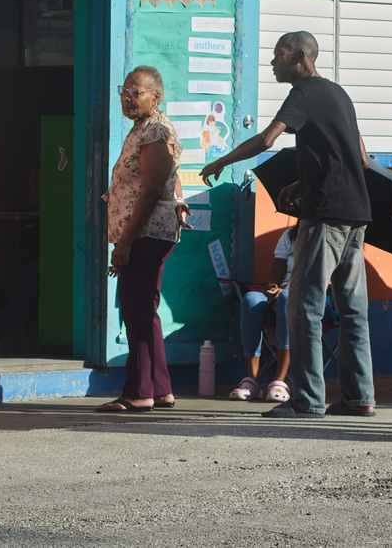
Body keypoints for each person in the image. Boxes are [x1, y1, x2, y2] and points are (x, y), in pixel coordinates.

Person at [201, 31, 375, 418]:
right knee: (352, 310)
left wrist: (220, 162)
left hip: (324, 214)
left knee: (302, 308)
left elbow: (266, 140)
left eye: (278, 55)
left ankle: (307, 400)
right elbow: (359, 160)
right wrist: (300, 184)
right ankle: (360, 398)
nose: (272, 62)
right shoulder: (339, 94)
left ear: (299, 57)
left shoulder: (304, 93)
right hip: (356, 213)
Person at [98, 65, 192, 413]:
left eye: (136, 92)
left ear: (156, 97)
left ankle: (138, 392)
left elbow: (152, 190)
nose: (127, 97)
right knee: (144, 310)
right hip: (144, 231)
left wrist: (124, 243)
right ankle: (161, 388)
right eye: (124, 90)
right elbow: (172, 176)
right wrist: (179, 202)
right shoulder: (145, 129)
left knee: (137, 309)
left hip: (146, 232)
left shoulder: (155, 130)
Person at [229, 225, 297, 403]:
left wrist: (285, 292)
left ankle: (280, 380)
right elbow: (274, 277)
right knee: (251, 299)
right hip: (281, 299)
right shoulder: (290, 236)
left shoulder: (324, 236)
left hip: (304, 303)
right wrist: (273, 290)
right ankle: (253, 381)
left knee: (287, 298)